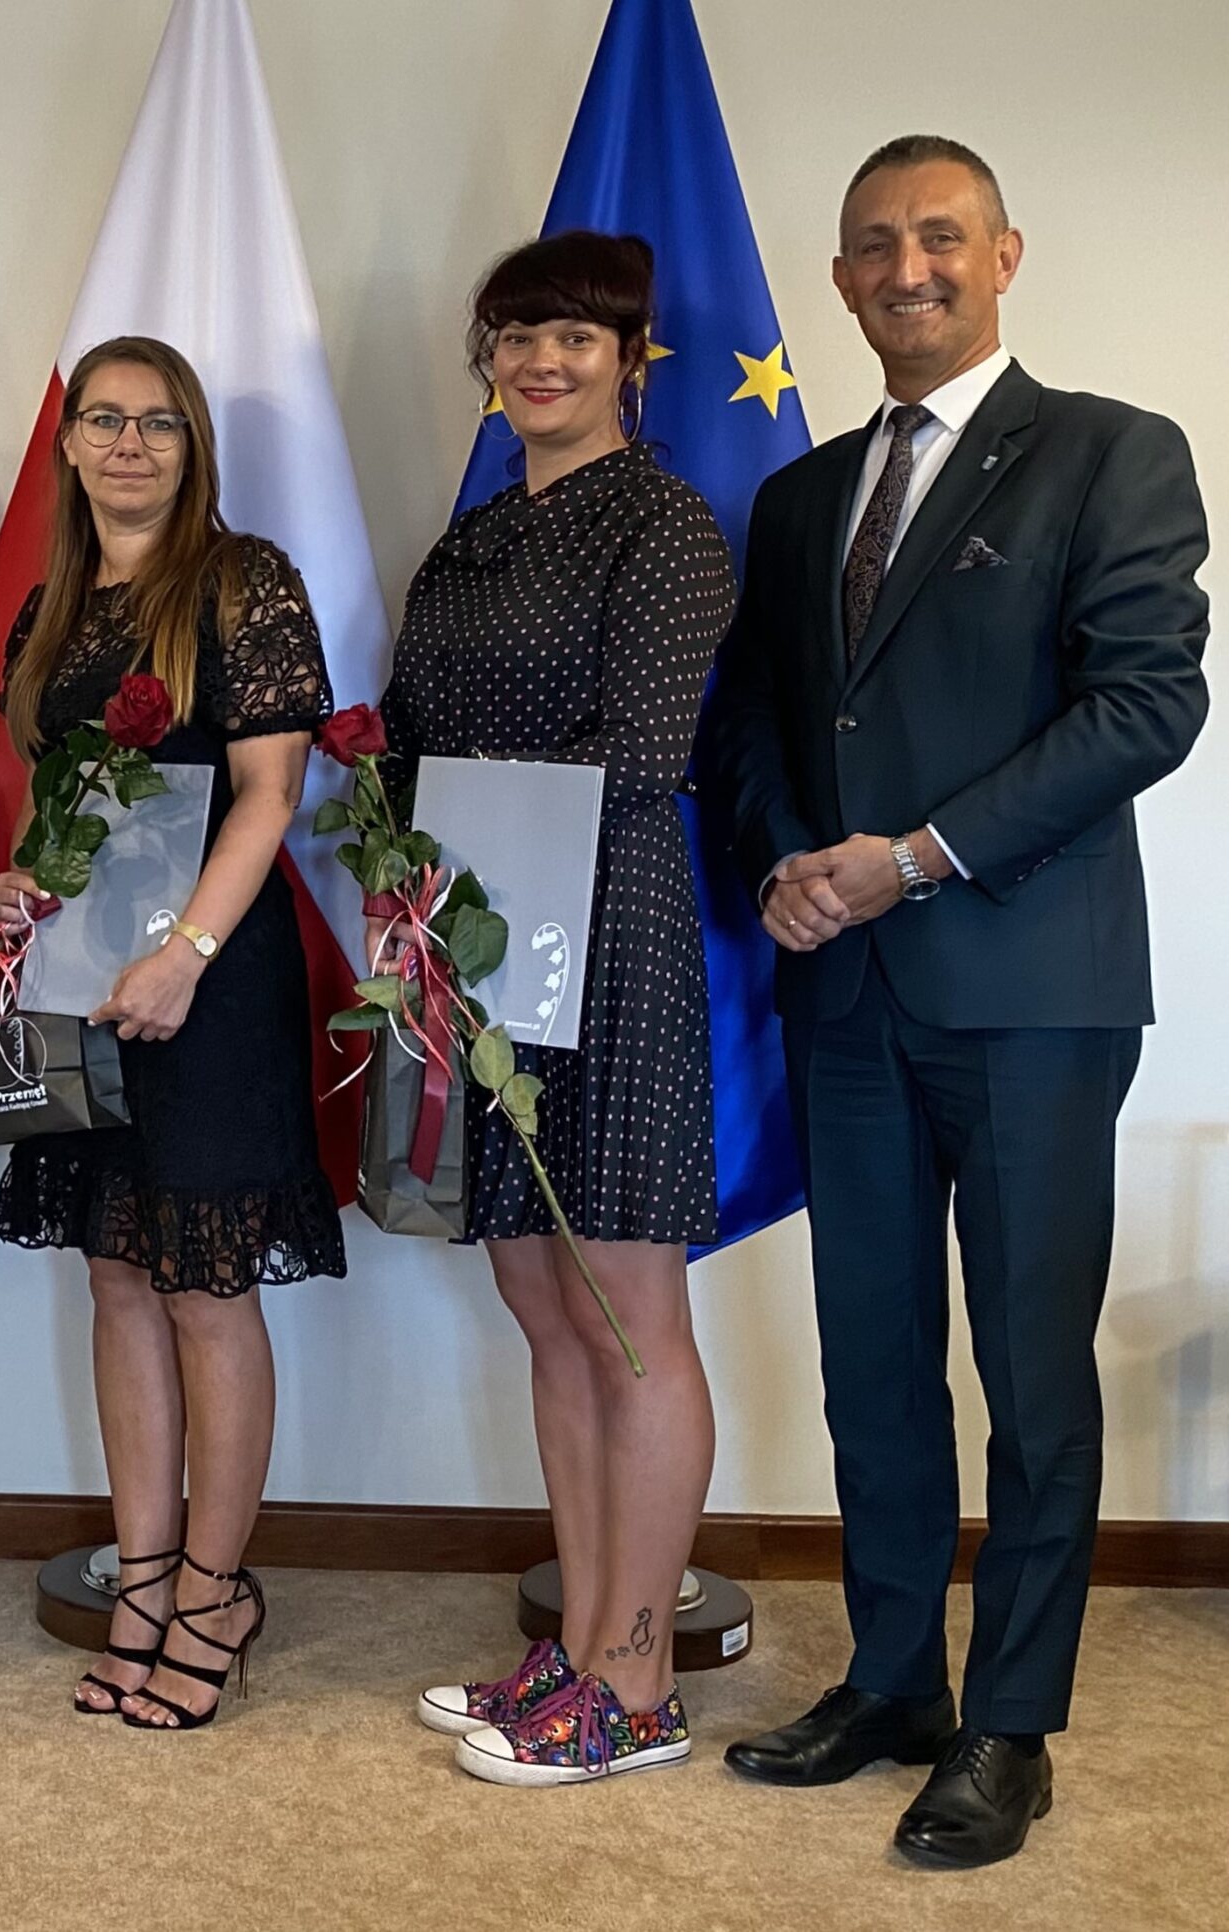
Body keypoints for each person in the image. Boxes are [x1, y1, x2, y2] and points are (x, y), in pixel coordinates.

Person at [701, 137, 1208, 1866]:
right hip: (844, 996)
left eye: (939, 238)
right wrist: (789, 859)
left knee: (1032, 1371)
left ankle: (1011, 1724)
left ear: (1004, 255)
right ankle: (897, 1677)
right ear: (839, 281)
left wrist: (904, 859)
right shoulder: (795, 498)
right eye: (872, 246)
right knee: (873, 1362)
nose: (905, 268)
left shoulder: (1113, 456)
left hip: (1031, 993)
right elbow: (761, 722)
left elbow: (1144, 708)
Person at [383, 233, 734, 1785]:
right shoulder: (465, 543)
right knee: (544, 1307)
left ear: (631, 361)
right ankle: (582, 1635)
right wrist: (403, 872)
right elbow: (398, 739)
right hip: (475, 949)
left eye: (577, 338)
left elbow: (642, 747)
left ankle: (637, 1680)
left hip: (612, 939)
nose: (543, 360)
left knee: (632, 1319)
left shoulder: (665, 527)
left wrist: (458, 840)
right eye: (518, 335)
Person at [0, 336, 341, 1732]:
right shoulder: (49, 610)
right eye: (104, 420)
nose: (129, 444)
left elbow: (269, 794)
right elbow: (53, 807)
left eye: (160, 423)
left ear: (194, 447)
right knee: (116, 1277)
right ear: (70, 443)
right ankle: (138, 1574)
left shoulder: (247, 584)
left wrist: (185, 954)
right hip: (81, 976)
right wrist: (20, 881)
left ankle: (214, 1590)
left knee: (202, 1286)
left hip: (211, 979)